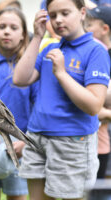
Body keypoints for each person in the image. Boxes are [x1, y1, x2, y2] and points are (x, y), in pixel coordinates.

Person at [13, 0, 110, 199]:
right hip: (37, 137)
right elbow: (20, 79)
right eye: (53, 15)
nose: (58, 20)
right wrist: (37, 37)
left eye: (65, 13)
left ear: (82, 12)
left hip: (71, 142)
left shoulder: (96, 50)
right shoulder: (51, 48)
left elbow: (93, 106)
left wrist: (62, 74)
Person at [0, 7, 38, 200]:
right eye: (1, 26)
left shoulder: (30, 70)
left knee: (17, 196)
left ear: (23, 35)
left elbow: (38, 108)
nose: (6, 31)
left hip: (18, 148)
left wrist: (26, 140)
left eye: (13, 27)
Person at [86, 5, 111, 179]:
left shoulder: (102, 56)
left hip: (102, 142)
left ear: (104, 29)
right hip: (85, 141)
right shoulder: (88, 54)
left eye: (90, 25)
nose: (85, 29)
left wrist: (101, 109)